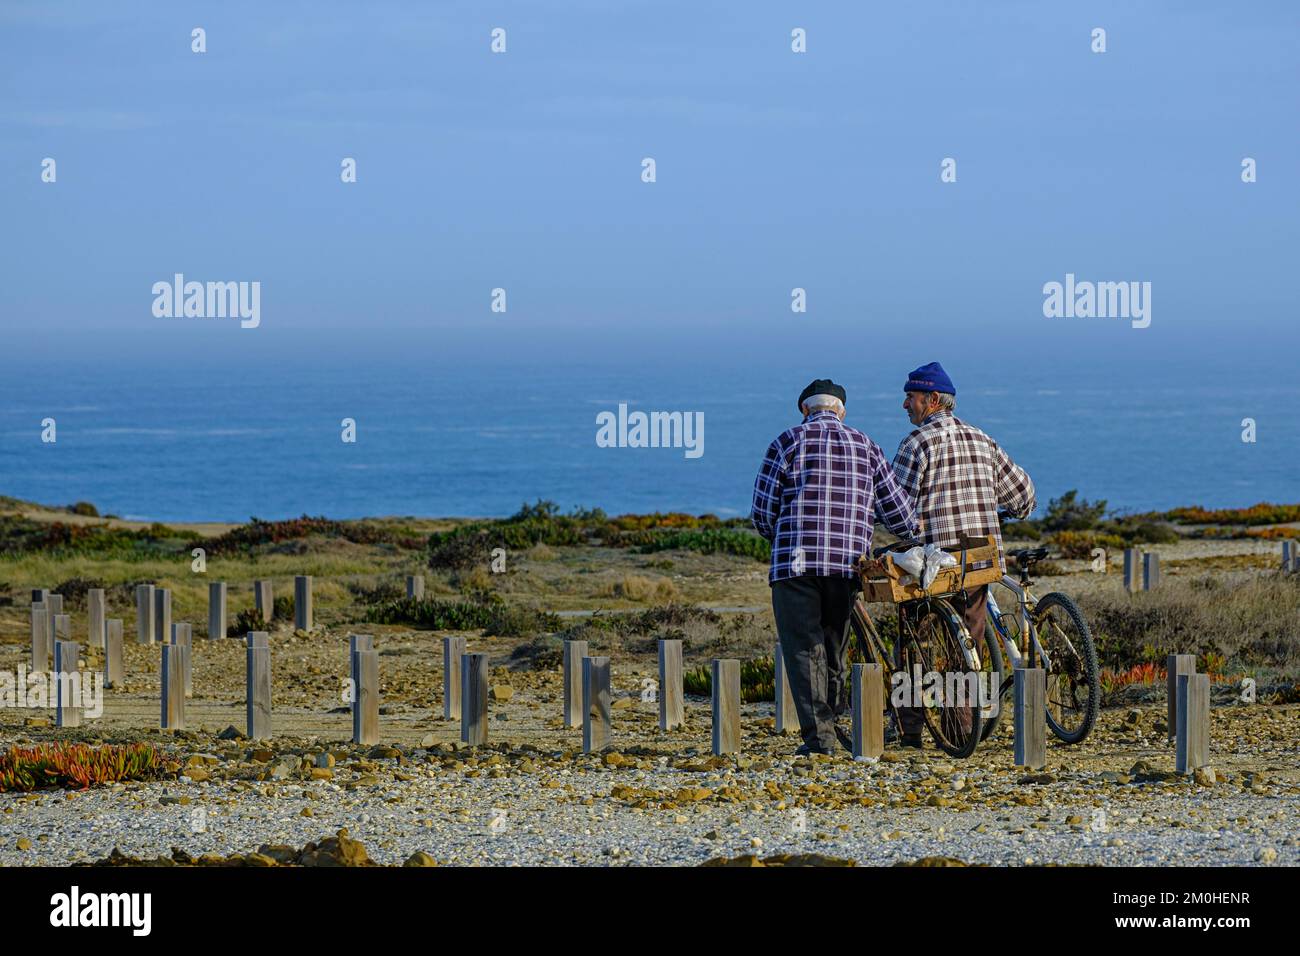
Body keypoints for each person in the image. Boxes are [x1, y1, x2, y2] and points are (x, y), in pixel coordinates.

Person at [751, 379, 917, 755]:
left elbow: (763, 511)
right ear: (841, 411)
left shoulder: (786, 442)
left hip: (795, 565)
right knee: (832, 645)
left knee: (802, 650)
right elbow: (899, 514)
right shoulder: (867, 445)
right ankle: (836, 719)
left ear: (805, 409)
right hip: (846, 568)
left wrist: (781, 539)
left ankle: (820, 738)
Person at [891, 361, 1036, 747]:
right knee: (966, 643)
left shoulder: (915, 444)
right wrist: (1014, 511)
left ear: (932, 400)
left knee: (915, 638)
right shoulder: (982, 439)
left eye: (911, 397)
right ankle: (959, 731)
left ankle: (910, 729)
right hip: (979, 563)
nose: (905, 405)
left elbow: (896, 509)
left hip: (935, 565)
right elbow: (1024, 495)